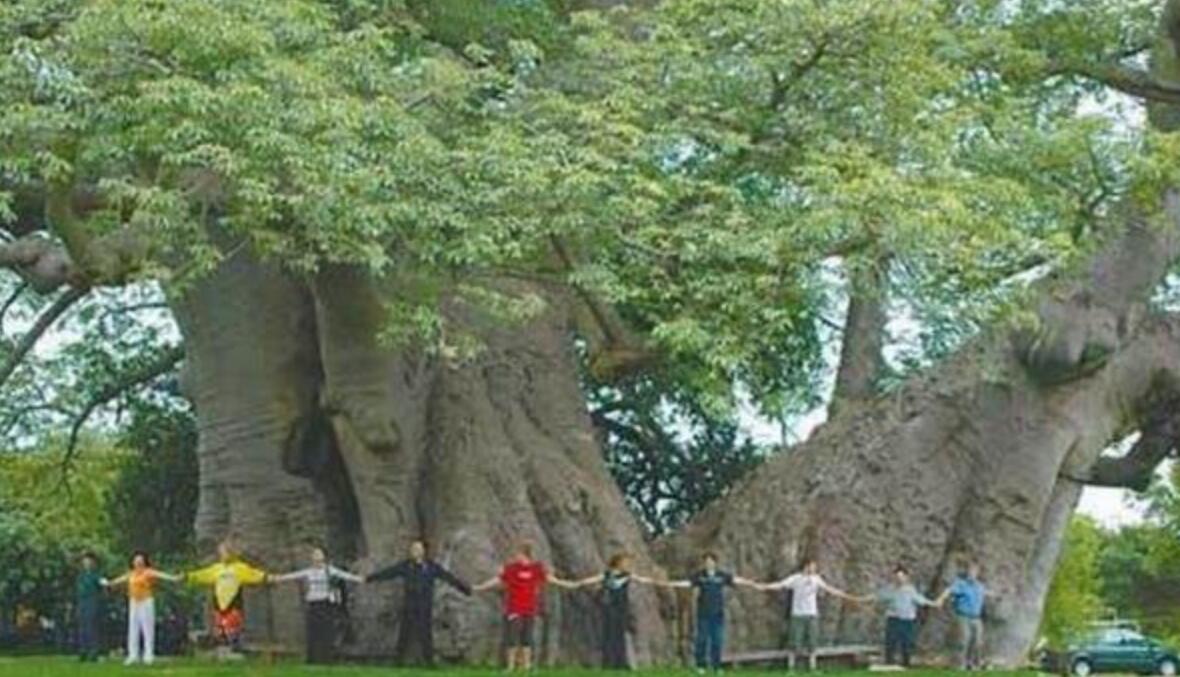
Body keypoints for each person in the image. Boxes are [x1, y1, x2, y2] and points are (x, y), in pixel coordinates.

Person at [473, 540, 579, 672]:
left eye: (517, 553)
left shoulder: (536, 568)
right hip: (513, 607)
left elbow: (550, 579)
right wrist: (480, 587)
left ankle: (526, 665)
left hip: (529, 608)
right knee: (512, 637)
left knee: (527, 637)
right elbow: (498, 580)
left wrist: (568, 584)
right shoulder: (511, 569)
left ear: (524, 554)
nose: (515, 556)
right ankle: (510, 666)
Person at [366, 539, 472, 667]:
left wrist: (466, 589)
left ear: (424, 551)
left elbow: (448, 577)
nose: (414, 551)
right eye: (412, 549)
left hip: (424, 605)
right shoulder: (406, 566)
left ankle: (429, 661)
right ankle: (398, 660)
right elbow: (389, 572)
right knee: (404, 633)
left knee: (426, 633)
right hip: (409, 604)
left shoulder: (432, 567)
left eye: (417, 549)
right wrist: (369, 579)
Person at [662, 552, 758, 675]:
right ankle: (701, 665)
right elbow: (688, 583)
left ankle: (716, 666)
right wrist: (670, 584)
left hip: (718, 614)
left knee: (717, 641)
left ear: (715, 563)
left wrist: (751, 583)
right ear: (704, 563)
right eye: (706, 561)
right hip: (703, 614)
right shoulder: (700, 576)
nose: (709, 564)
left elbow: (735, 580)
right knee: (701, 640)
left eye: (711, 561)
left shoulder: (722, 575)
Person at [756, 558, 861, 671]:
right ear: (805, 566)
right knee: (794, 641)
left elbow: (829, 588)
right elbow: (780, 585)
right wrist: (764, 586)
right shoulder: (795, 579)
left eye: (814, 567)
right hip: (797, 614)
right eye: (812, 566)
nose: (813, 569)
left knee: (812, 642)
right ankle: (791, 667)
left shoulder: (816, 579)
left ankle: (812, 666)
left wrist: (845, 595)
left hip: (812, 614)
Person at [565, 552, 661, 670]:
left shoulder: (627, 576)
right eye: (625, 562)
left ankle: (620, 662)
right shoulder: (607, 575)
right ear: (618, 562)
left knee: (620, 635)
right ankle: (609, 662)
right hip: (609, 608)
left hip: (622, 609)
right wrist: (574, 584)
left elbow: (642, 580)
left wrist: (657, 581)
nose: (627, 565)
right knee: (609, 635)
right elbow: (590, 580)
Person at [272, 546, 364, 664]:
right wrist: (278, 578)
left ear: (324, 556)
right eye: (314, 554)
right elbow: (295, 575)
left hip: (325, 604)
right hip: (313, 603)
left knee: (325, 631)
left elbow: (345, 575)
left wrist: (361, 579)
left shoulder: (330, 570)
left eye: (318, 554)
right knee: (313, 631)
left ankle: (325, 658)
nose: (316, 556)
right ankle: (313, 658)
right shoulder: (309, 571)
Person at [185, 541, 269, 661]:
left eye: (225, 552)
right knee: (220, 628)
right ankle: (222, 651)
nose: (222, 555)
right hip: (219, 604)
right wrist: (188, 577)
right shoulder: (217, 569)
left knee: (233, 628)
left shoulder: (240, 568)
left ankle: (235, 649)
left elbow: (254, 574)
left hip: (233, 603)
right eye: (221, 553)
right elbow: (203, 574)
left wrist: (266, 577)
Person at [102, 551, 180, 666]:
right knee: (133, 628)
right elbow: (118, 580)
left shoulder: (148, 572)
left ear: (144, 562)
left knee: (147, 629)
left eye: (140, 560)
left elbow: (161, 575)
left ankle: (148, 655)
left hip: (146, 601)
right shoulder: (131, 574)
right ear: (133, 562)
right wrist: (108, 583)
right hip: (133, 602)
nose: (138, 563)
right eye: (136, 560)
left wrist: (174, 578)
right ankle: (133, 655)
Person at [858, 565, 941, 667]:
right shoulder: (890, 589)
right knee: (890, 642)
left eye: (901, 577)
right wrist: (861, 599)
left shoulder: (911, 590)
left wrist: (934, 604)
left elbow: (921, 600)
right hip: (893, 619)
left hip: (907, 621)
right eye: (896, 577)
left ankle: (906, 664)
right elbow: (877, 596)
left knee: (906, 642)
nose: (899, 579)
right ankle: (889, 663)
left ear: (906, 577)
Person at [937, 561, 989, 670]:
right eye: (970, 572)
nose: (972, 574)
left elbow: (986, 593)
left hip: (976, 618)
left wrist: (998, 596)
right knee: (964, 640)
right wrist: (941, 599)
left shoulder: (979, 586)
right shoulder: (961, 584)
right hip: (963, 616)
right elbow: (949, 590)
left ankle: (973, 663)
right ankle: (960, 664)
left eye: (974, 572)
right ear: (967, 572)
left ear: (977, 573)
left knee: (978, 642)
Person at [75, 552, 104, 663]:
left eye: (88, 561)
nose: (86, 563)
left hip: (92, 602)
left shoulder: (96, 575)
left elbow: (102, 584)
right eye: (85, 561)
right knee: (82, 627)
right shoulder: (81, 575)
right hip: (82, 602)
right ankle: (83, 652)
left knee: (91, 627)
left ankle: (93, 652)